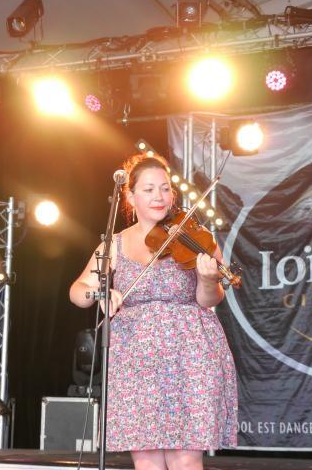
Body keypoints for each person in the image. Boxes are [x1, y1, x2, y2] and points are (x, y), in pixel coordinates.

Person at [69, 154, 237, 470]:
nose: (159, 196)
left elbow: (209, 300)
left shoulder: (194, 238)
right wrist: (100, 291)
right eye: (148, 190)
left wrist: (207, 280)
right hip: (135, 358)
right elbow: (77, 292)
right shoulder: (114, 244)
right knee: (145, 460)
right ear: (130, 196)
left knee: (185, 459)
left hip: (190, 354)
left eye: (165, 188)